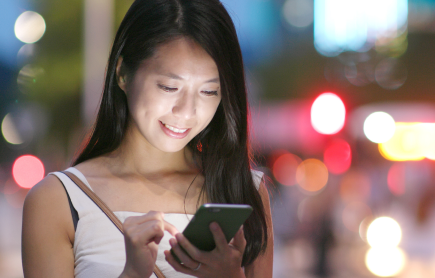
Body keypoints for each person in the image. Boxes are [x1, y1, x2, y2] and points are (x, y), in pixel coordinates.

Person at [21, 0, 273, 277]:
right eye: (169, 86)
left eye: (209, 92)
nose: (187, 111)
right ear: (122, 73)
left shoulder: (241, 189)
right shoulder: (57, 200)